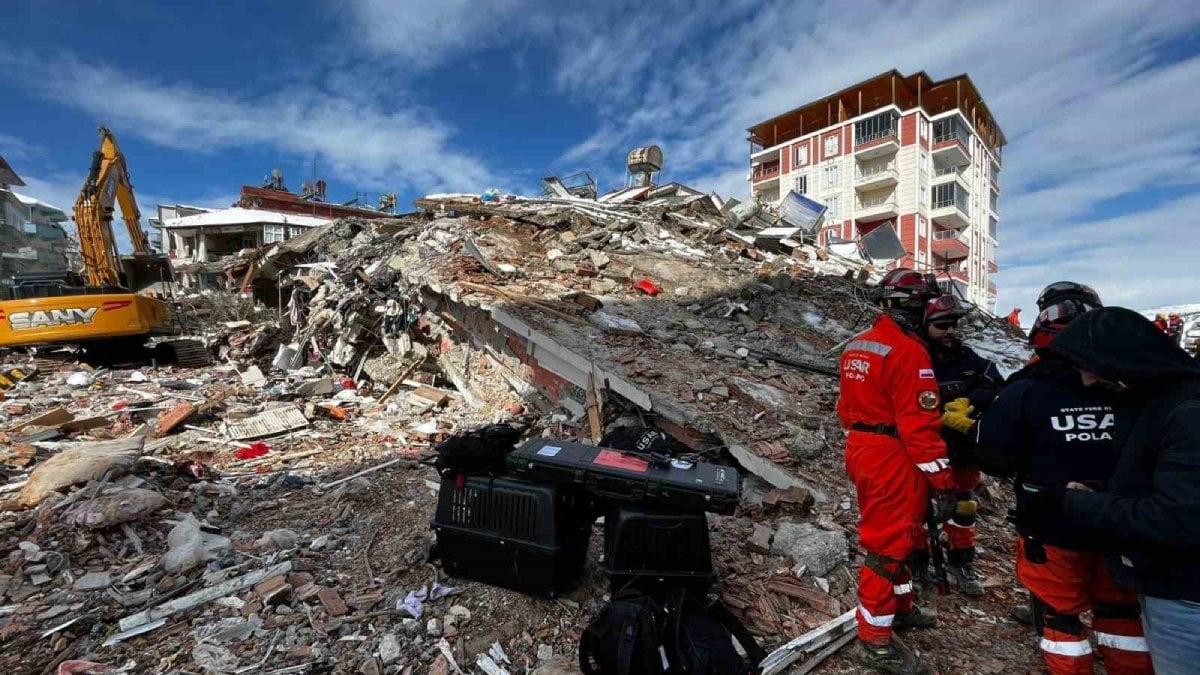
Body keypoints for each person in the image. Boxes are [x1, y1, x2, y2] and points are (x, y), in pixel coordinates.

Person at [942, 283, 1153, 675]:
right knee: (1121, 612)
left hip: (1052, 524)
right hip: (1122, 522)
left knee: (1061, 617)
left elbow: (998, 459)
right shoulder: (1138, 389)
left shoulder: (1028, 389)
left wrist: (972, 431)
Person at [1040, 306, 1200, 674]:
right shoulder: (1162, 402)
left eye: (1090, 367)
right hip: (1170, 585)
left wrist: (1082, 503)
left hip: (1186, 597)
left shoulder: (1188, 412)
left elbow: (1179, 518)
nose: (1087, 382)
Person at [838, 268, 953, 674]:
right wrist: (943, 480)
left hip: (863, 446)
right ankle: (873, 642)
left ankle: (899, 608)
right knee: (889, 545)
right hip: (893, 455)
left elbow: (845, 409)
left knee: (902, 536)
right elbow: (919, 426)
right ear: (915, 307)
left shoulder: (858, 344)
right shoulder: (908, 351)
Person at [912, 295, 1004, 598]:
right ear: (925, 325)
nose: (949, 330)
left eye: (953, 324)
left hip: (962, 448)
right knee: (920, 508)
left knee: (964, 507)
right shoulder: (915, 356)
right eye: (941, 325)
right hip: (926, 446)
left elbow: (995, 382)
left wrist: (970, 402)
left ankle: (961, 561)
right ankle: (919, 564)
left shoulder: (967, 357)